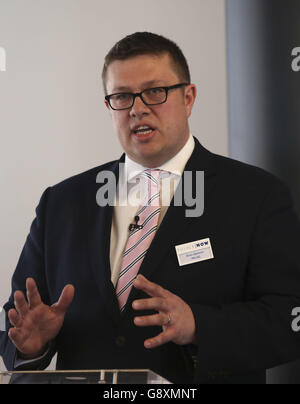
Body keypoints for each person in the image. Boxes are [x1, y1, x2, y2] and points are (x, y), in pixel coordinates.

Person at [1, 32, 300, 384]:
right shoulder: (62, 203)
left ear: (188, 98)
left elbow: (288, 319)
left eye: (155, 92)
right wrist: (32, 347)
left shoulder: (255, 195)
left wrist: (199, 326)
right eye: (122, 96)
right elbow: (18, 321)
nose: (137, 108)